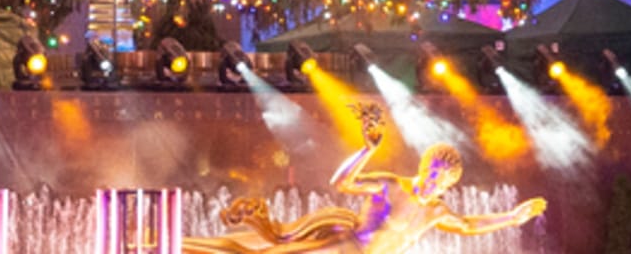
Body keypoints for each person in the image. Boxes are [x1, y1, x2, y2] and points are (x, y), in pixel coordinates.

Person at [185, 104, 545, 253]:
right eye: (434, 174)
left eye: (444, 182)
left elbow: (468, 224)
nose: (436, 184)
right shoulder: (391, 185)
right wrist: (368, 150)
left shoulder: (436, 211)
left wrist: (511, 218)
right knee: (268, 249)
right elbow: (342, 183)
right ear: (424, 167)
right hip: (345, 247)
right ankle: (184, 245)